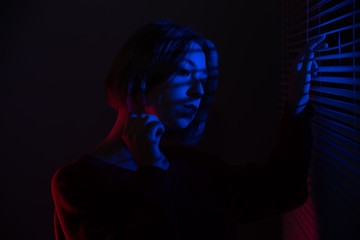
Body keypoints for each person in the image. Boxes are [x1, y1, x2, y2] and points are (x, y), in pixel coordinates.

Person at [51, 20, 327, 240]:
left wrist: (296, 107)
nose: (199, 91)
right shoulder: (78, 183)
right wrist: (151, 171)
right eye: (184, 73)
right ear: (142, 73)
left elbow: (281, 190)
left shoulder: (191, 167)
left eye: (204, 81)